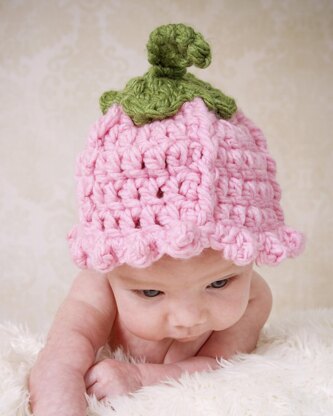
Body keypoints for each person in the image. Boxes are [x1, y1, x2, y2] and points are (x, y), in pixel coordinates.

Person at [28, 23, 304, 415]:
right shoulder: (98, 286)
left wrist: (140, 379)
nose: (189, 319)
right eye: (151, 292)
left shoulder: (255, 296)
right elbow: (56, 364)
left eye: (220, 282)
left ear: (249, 251)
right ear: (112, 264)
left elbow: (218, 368)